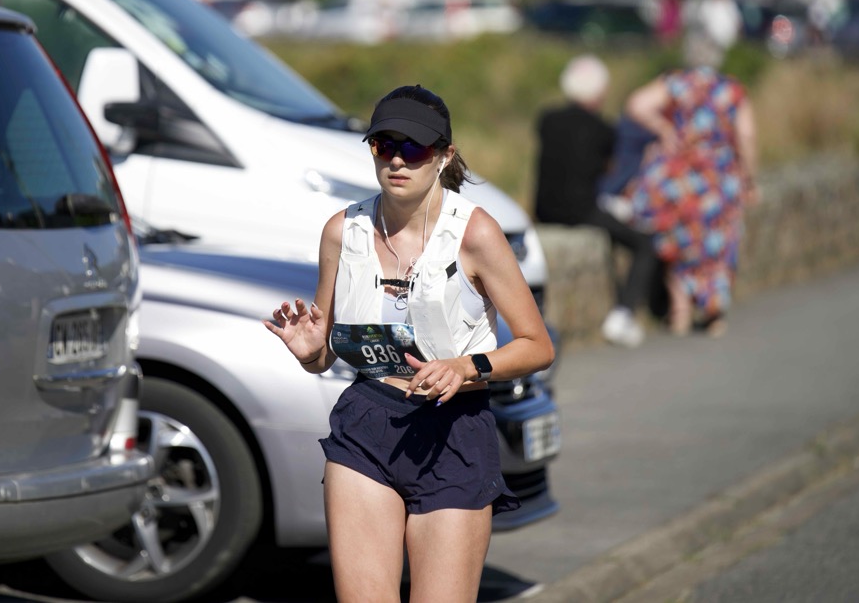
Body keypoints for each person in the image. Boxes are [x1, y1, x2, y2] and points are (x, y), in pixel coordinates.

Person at [264, 84, 555, 603]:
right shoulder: (343, 231)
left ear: (444, 155)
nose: (398, 159)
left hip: (453, 431)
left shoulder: (476, 234)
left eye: (415, 147)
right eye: (385, 145)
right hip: (366, 424)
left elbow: (537, 345)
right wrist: (311, 352)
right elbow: (325, 352)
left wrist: (465, 367)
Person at [624, 30, 760, 337]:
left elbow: (636, 104)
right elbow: (746, 136)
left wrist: (663, 128)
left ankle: (681, 311)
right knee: (716, 248)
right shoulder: (731, 90)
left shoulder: (678, 83)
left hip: (680, 179)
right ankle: (713, 313)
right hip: (718, 179)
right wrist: (749, 178)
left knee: (681, 244)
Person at [534, 55, 659, 348]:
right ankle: (623, 315)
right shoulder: (603, 129)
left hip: (544, 210)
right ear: (599, 92)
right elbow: (609, 170)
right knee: (644, 243)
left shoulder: (547, 120)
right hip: (581, 211)